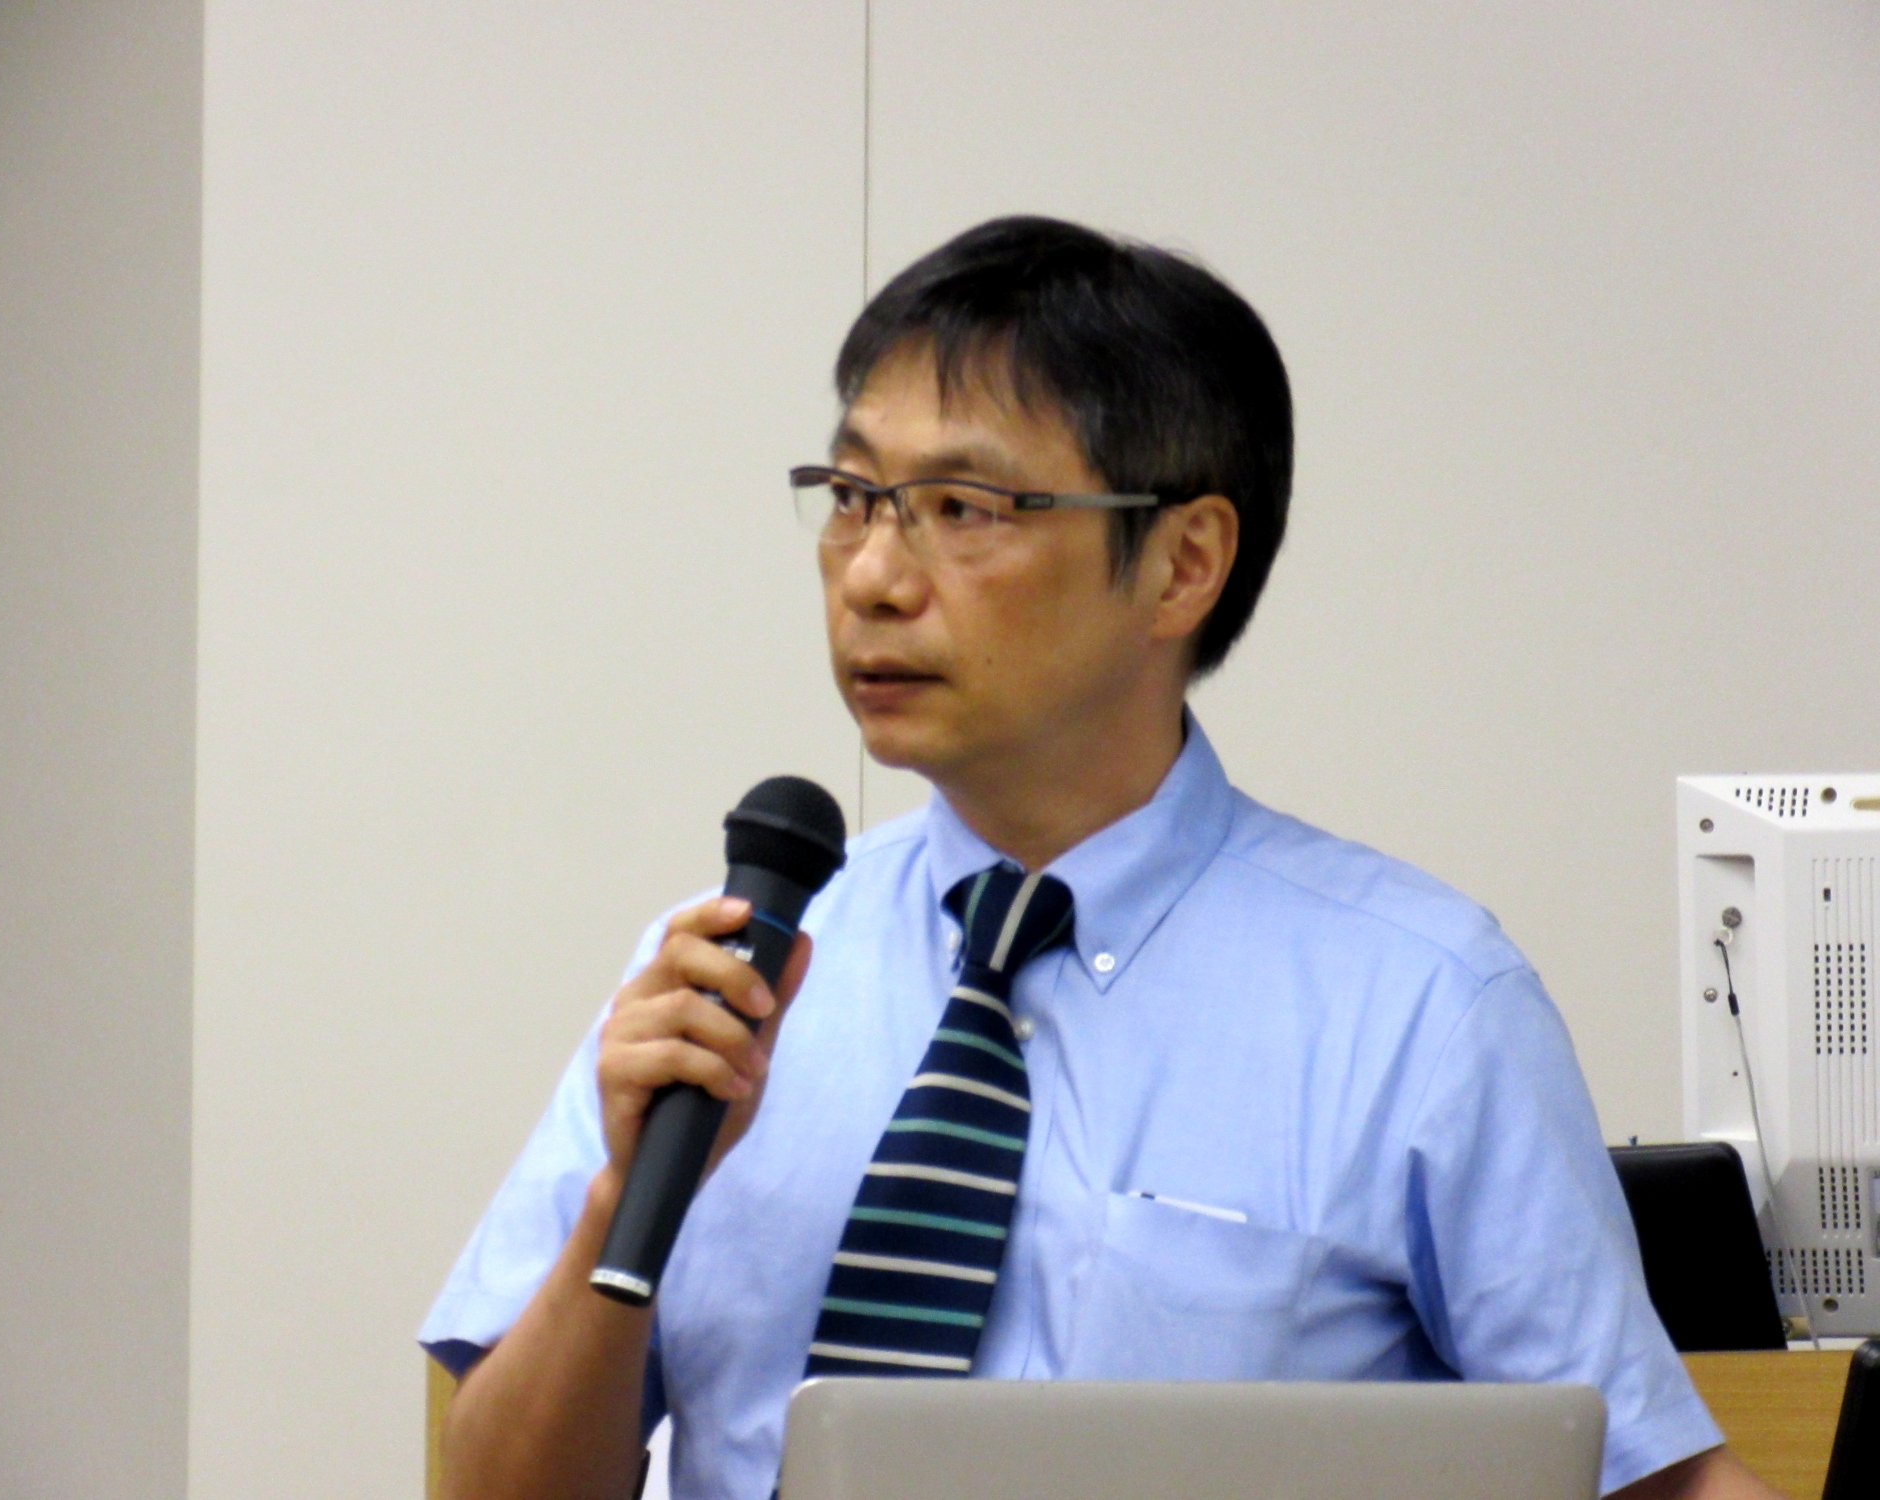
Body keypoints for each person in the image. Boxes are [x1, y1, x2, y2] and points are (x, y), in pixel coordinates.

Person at [422, 216, 1777, 1500]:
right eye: (852, 497)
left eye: (963, 507)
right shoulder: (729, 976)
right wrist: (625, 1199)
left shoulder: (1422, 1008)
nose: (873, 576)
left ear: (1183, 563)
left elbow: (1648, 1483)